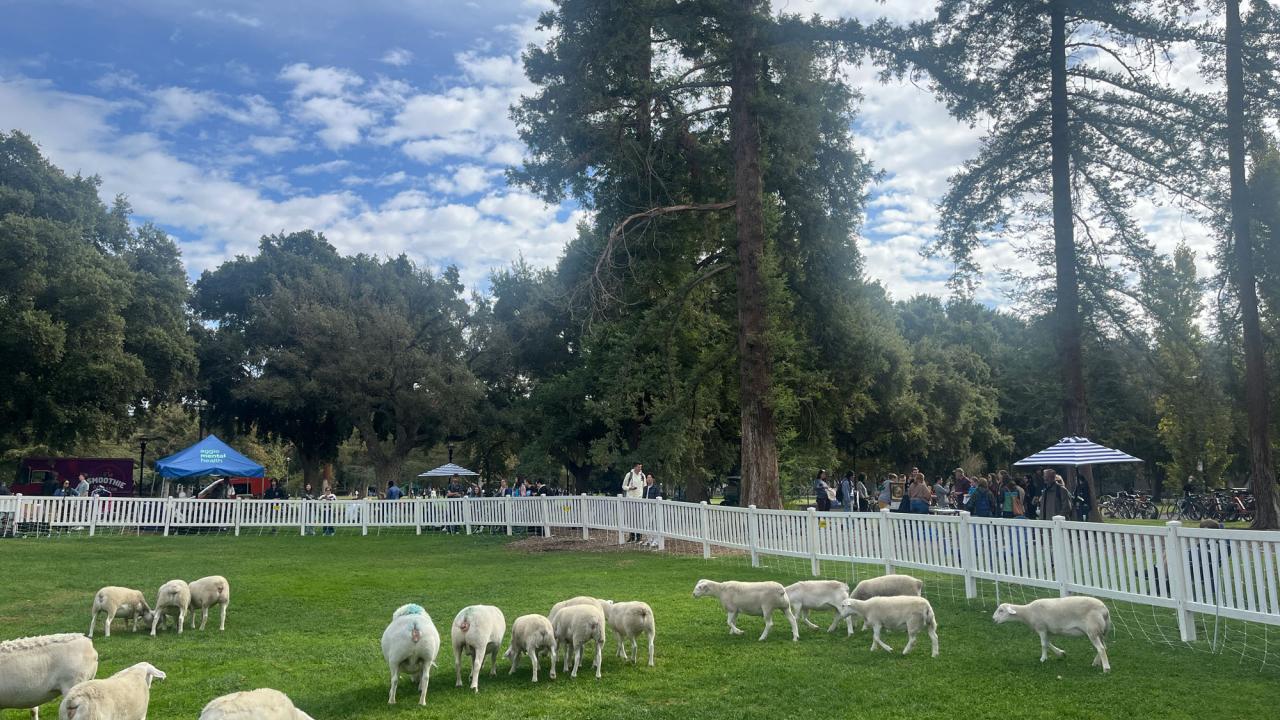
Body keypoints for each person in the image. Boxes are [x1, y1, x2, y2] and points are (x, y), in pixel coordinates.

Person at [621, 463, 645, 541]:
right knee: (631, 518)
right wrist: (630, 488)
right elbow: (623, 486)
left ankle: (639, 536)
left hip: (639, 499)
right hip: (631, 499)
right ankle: (631, 536)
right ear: (635, 467)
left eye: (640, 467)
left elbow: (644, 486)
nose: (639, 469)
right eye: (638, 467)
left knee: (639, 518)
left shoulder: (642, 475)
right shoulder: (629, 475)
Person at [642, 474, 662, 547]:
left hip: (653, 507)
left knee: (654, 524)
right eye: (647, 478)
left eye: (650, 478)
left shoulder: (656, 488)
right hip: (646, 507)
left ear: (653, 479)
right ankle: (649, 539)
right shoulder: (645, 488)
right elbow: (643, 498)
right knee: (647, 524)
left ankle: (656, 540)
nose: (649, 479)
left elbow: (658, 497)